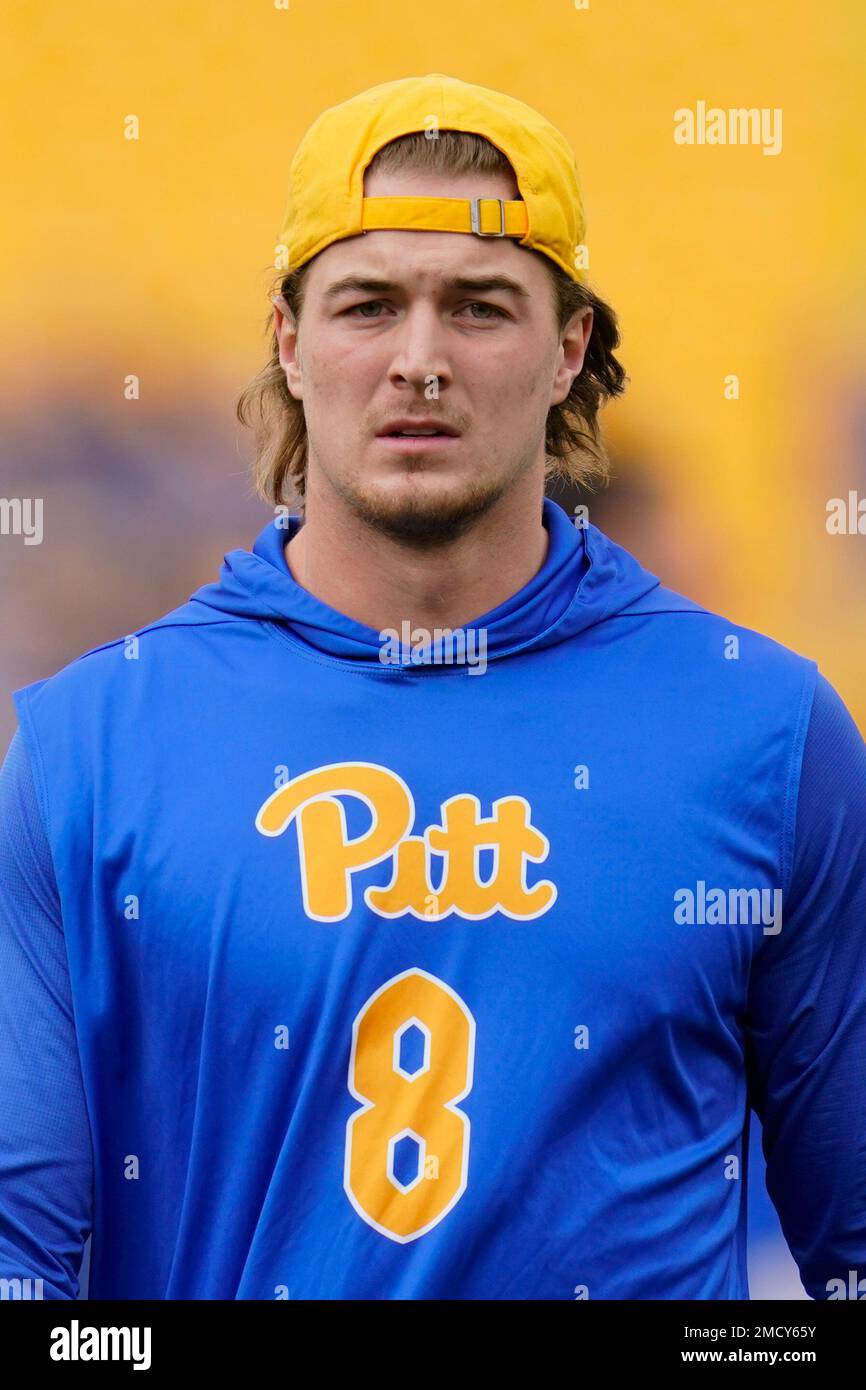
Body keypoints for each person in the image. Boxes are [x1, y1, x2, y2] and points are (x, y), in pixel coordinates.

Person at [1, 73, 865, 1302]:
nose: (419, 361)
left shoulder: (768, 735)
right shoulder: (89, 752)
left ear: (569, 349)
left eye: (477, 306)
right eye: (367, 304)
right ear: (291, 346)